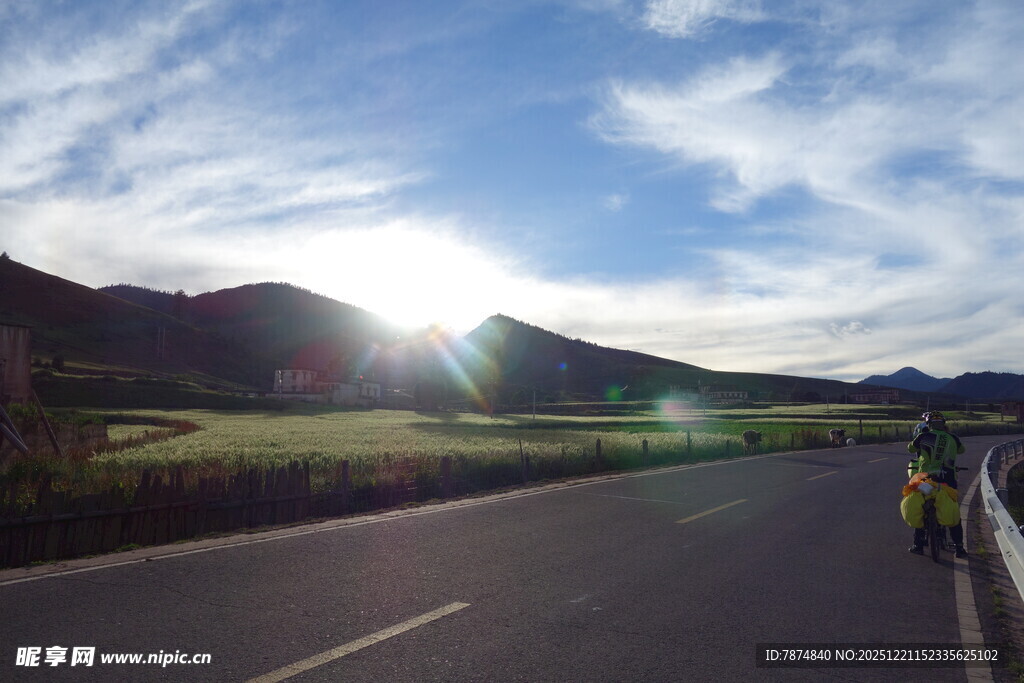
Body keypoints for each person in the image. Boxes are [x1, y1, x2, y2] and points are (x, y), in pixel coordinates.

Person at [906, 411, 967, 557]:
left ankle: (918, 545)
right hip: (947, 481)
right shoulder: (952, 438)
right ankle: (959, 548)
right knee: (952, 511)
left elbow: (910, 449)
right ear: (943, 424)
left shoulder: (923, 436)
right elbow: (961, 450)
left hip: (925, 480)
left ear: (928, 424)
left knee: (920, 508)